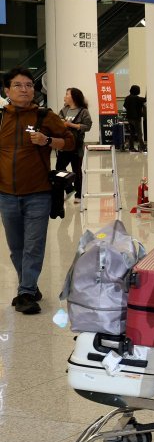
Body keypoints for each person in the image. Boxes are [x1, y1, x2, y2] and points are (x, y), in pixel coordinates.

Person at [0, 68, 75, 314]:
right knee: (16, 247)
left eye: (29, 85)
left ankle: (25, 292)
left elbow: (71, 142)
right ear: (6, 91)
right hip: (6, 194)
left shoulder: (45, 116)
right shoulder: (1, 118)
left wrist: (48, 141)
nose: (25, 90)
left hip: (38, 193)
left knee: (34, 244)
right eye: (18, 85)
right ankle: (28, 286)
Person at [56, 87, 93, 199]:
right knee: (59, 167)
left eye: (67, 94)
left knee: (76, 170)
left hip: (76, 146)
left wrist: (71, 125)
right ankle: (69, 188)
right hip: (64, 145)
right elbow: (58, 121)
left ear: (73, 97)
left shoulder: (83, 111)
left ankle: (79, 193)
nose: (65, 96)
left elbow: (88, 126)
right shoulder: (64, 110)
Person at [123, 84, 147, 152]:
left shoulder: (127, 98)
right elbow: (145, 100)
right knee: (139, 133)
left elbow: (125, 105)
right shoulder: (137, 98)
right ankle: (143, 147)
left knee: (132, 133)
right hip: (136, 118)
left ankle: (131, 147)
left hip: (129, 118)